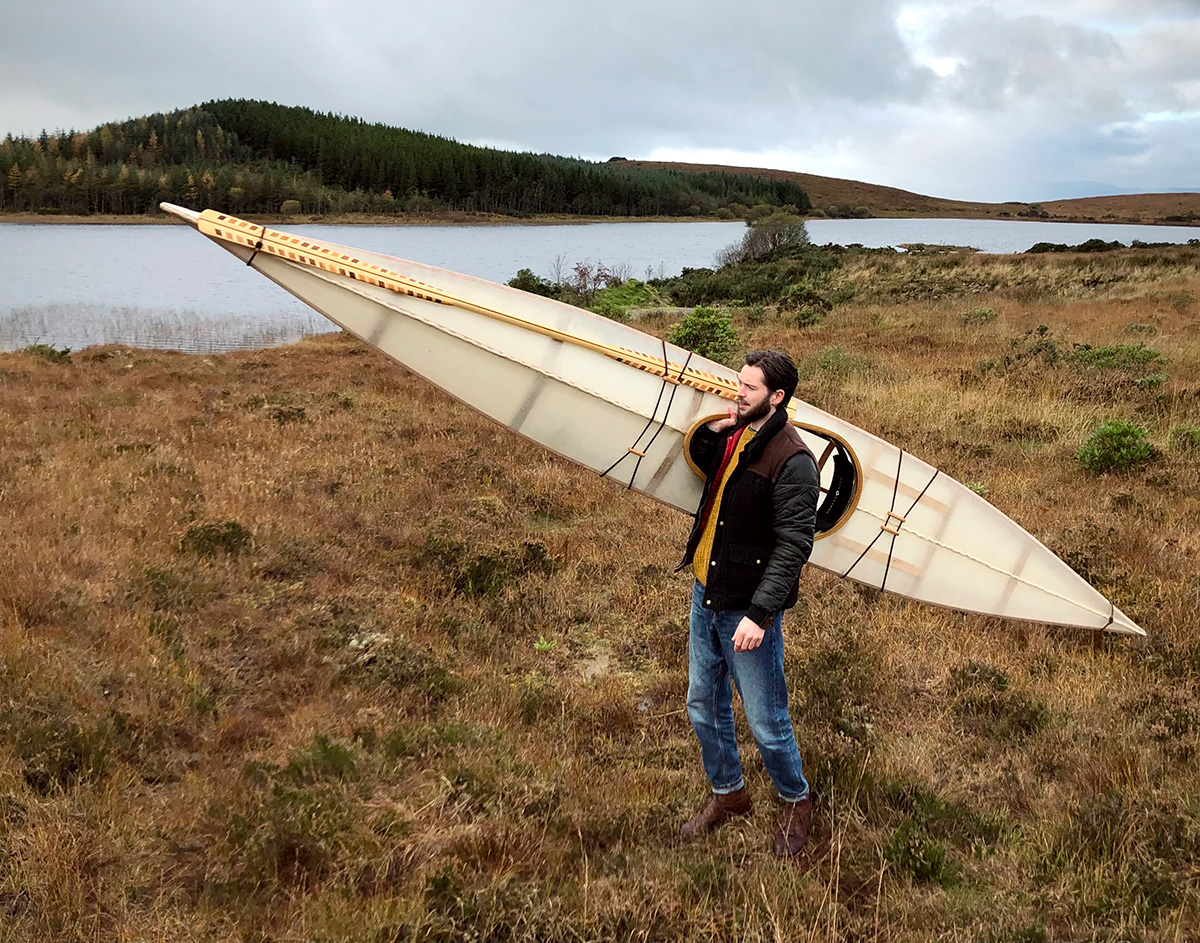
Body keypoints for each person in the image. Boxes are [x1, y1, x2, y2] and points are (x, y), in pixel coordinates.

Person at [677, 349, 820, 858]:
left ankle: (796, 800)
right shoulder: (737, 434)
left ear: (777, 397)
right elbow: (717, 488)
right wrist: (712, 435)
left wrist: (760, 615)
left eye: (750, 388)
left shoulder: (792, 459)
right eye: (738, 384)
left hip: (746, 608)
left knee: (765, 717)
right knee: (702, 702)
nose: (737, 393)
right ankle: (729, 795)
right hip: (706, 592)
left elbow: (794, 544)